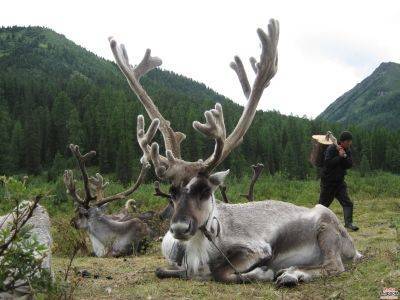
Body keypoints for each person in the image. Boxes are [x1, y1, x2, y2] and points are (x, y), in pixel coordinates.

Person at [319, 131, 359, 231]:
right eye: (349, 141)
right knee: (322, 206)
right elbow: (327, 163)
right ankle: (315, 224)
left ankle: (348, 224)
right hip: (328, 182)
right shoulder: (332, 148)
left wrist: (344, 156)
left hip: (340, 182)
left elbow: (349, 164)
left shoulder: (346, 150)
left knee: (347, 203)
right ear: (344, 141)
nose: (350, 143)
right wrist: (339, 157)